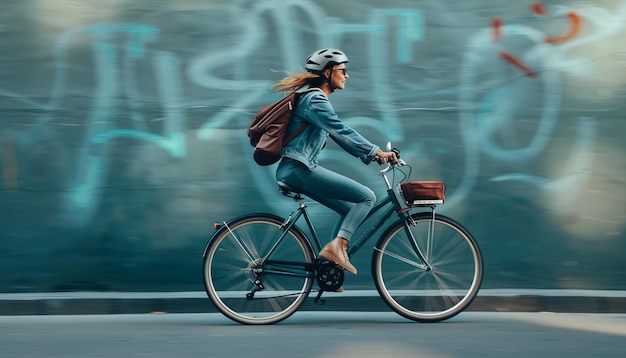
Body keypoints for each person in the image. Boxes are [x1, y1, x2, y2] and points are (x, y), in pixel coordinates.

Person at [272, 48, 397, 276]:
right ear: (328, 73)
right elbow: (342, 130)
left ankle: (330, 268)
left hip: (296, 169)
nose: (347, 75)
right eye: (343, 70)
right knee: (367, 197)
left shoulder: (311, 99)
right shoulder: (315, 99)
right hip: (299, 169)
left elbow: (342, 139)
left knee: (351, 210)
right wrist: (376, 152)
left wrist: (369, 155)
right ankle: (338, 249)